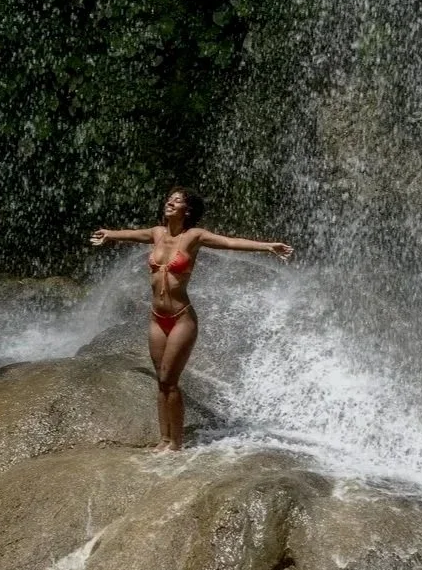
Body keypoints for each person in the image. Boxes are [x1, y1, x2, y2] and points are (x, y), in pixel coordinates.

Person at [89, 187, 292, 449]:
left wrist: (268, 247)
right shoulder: (157, 233)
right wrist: (108, 234)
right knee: (161, 382)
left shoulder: (194, 236)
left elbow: (230, 242)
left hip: (181, 318)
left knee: (169, 380)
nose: (170, 202)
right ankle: (163, 439)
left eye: (177, 200)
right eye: (169, 198)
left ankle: (176, 442)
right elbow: (130, 235)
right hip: (156, 318)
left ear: (188, 210)